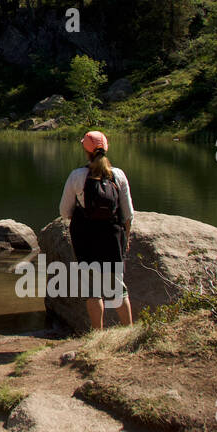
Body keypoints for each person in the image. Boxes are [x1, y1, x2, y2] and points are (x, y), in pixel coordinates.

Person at [58, 131, 134, 330]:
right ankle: (129, 332)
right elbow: (128, 215)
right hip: (112, 237)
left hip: (86, 239)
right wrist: (125, 239)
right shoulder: (118, 176)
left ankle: (97, 335)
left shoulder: (77, 176)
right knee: (117, 288)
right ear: (106, 148)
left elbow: (65, 212)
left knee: (92, 290)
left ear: (86, 150)